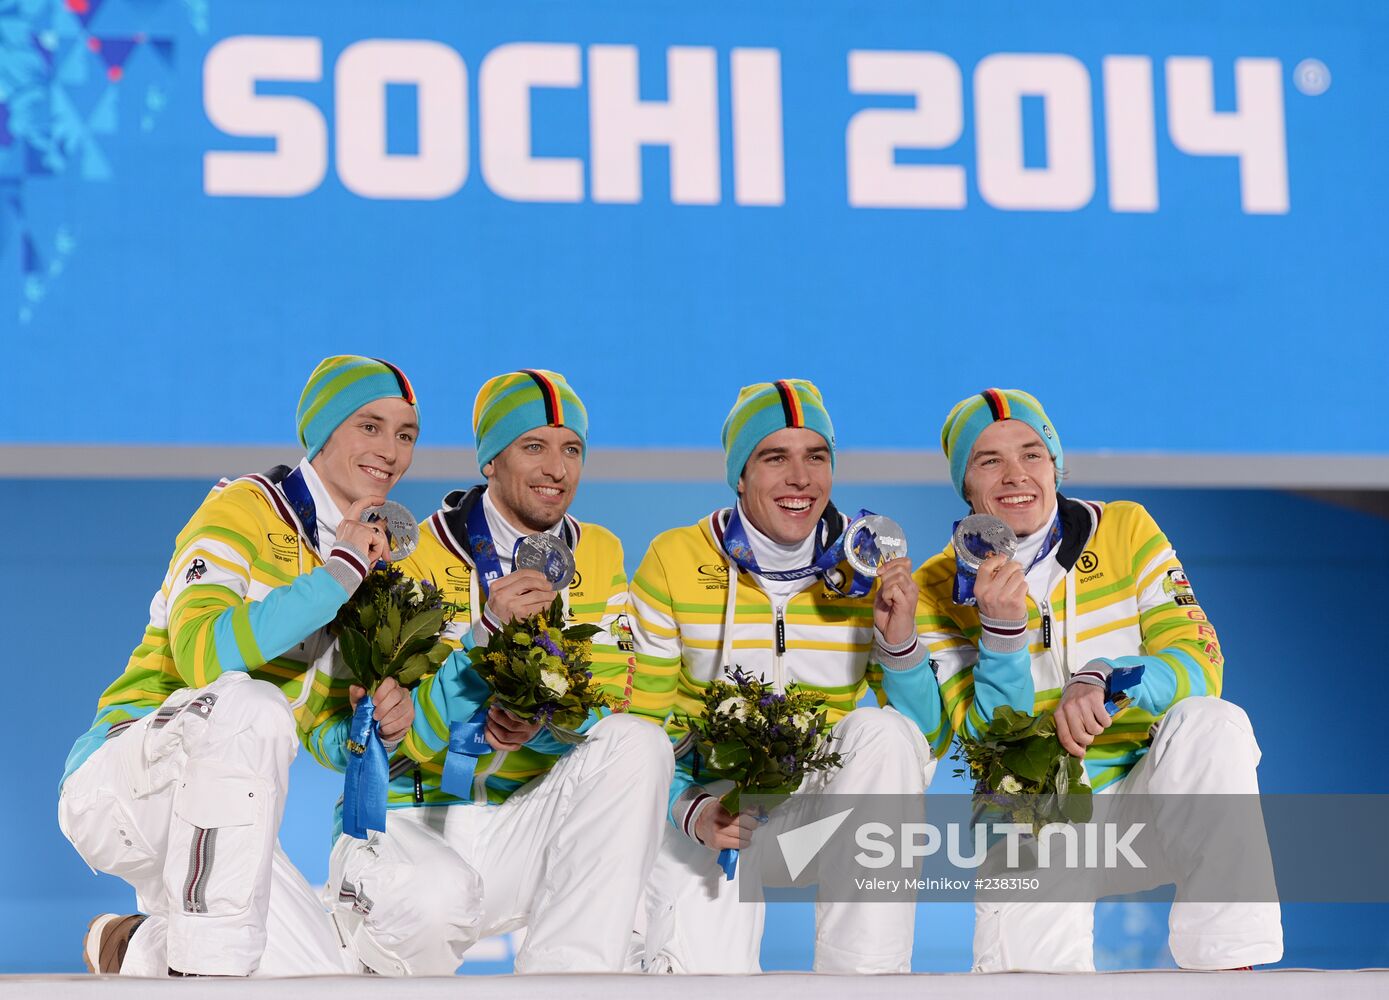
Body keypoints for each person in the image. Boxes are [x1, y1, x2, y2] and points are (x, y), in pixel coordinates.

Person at [59, 355, 420, 976]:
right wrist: (337, 577)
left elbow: (312, 732)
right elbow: (204, 654)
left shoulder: (359, 559)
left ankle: (135, 946)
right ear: (325, 429)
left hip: (224, 814)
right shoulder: (244, 507)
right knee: (251, 705)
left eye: (406, 435)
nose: (390, 450)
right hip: (126, 779)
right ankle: (199, 977)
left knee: (320, 980)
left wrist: (371, 726)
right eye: (370, 426)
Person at [314, 368, 671, 975]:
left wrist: (547, 724)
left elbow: (612, 701)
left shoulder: (602, 553)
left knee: (638, 742)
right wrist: (484, 646)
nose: (556, 469)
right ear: (490, 461)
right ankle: (349, 937)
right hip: (412, 819)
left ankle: (567, 984)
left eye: (572, 449)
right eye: (534, 446)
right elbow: (383, 743)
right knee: (431, 903)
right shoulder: (411, 553)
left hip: (524, 824)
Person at [918, 387, 1284, 972]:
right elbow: (990, 747)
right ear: (966, 485)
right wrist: (1002, 636)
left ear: (1056, 465)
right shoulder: (934, 588)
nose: (1016, 475)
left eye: (1032, 454)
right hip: (1038, 815)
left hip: (1152, 805)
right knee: (1029, 972)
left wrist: (1107, 676)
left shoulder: (1126, 529)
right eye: (989, 460)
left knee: (1214, 723)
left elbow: (1200, 660)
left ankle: (1229, 968)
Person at [630, 378, 945, 974]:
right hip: (714, 814)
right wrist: (689, 806)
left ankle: (869, 982)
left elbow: (918, 744)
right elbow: (642, 724)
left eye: (816, 457)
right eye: (776, 457)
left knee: (881, 732)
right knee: (702, 979)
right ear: (741, 476)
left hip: (821, 821)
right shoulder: (674, 558)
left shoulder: (870, 563)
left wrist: (899, 641)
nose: (801, 478)